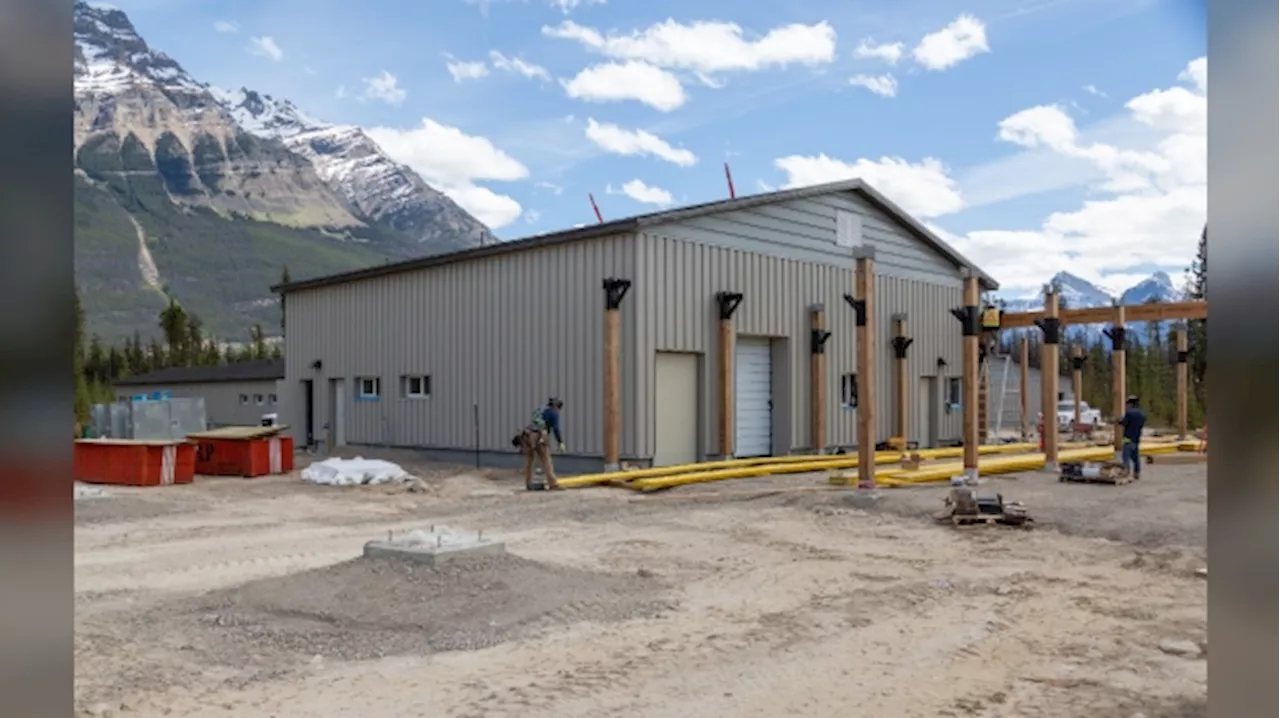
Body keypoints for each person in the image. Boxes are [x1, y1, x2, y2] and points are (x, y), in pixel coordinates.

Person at [518, 398, 565, 490]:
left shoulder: (541, 410)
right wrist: (560, 442)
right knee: (546, 460)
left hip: (528, 435)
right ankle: (553, 484)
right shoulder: (554, 413)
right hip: (540, 436)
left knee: (529, 461)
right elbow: (556, 429)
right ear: (556, 406)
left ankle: (528, 482)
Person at [1116, 394, 1147, 479]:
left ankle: (1126, 473)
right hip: (1136, 438)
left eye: (1128, 404)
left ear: (1131, 404)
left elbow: (1124, 422)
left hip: (1128, 438)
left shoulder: (1129, 413)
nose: (1127, 405)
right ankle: (1137, 473)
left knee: (1125, 457)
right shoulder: (1142, 413)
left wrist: (1118, 421)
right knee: (1135, 457)